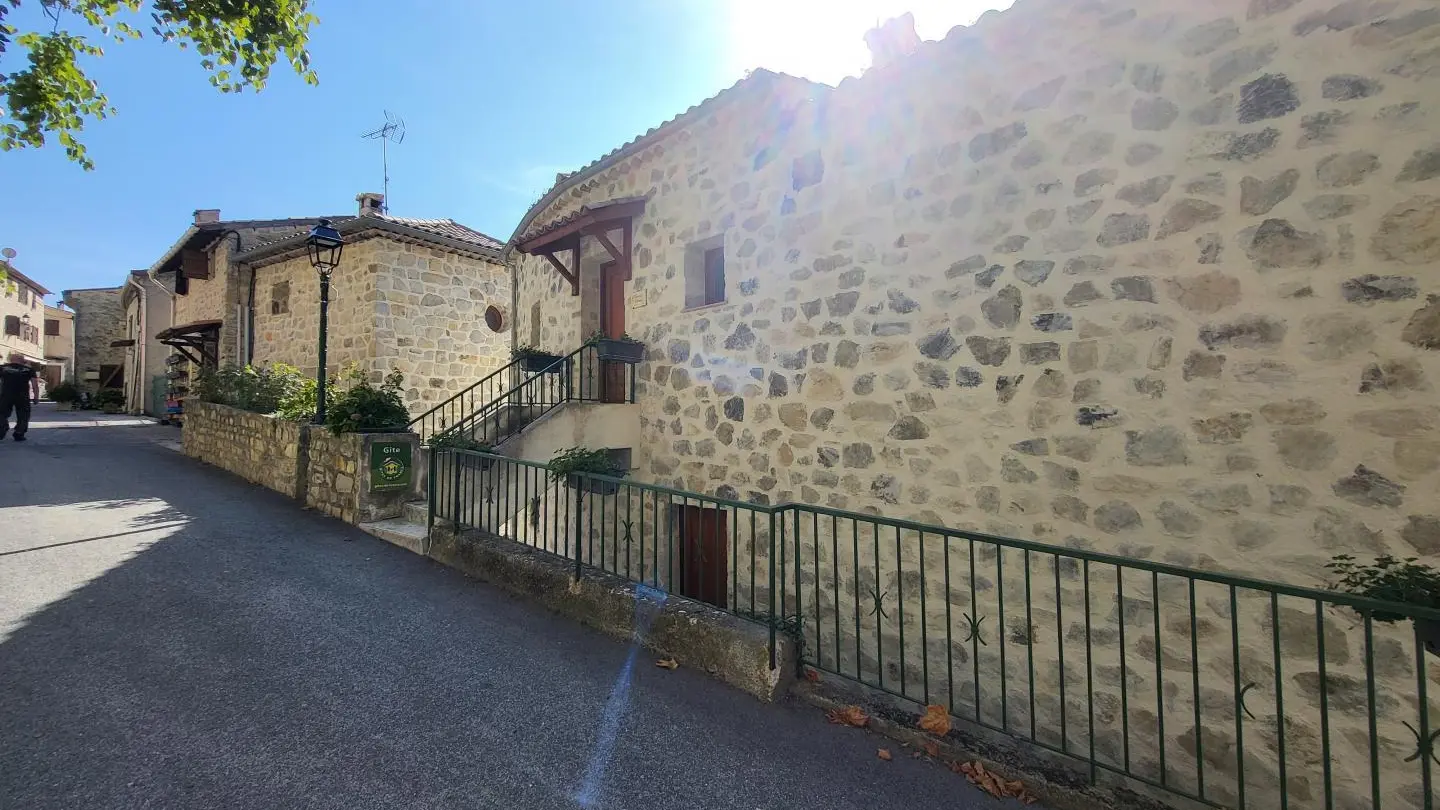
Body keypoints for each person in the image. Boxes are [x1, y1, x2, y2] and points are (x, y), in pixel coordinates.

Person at [0, 353, 40, 442]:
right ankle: (19, 433)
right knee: (23, 415)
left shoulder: (3, 368)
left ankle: (2, 428)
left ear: (10, 359)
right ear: (22, 360)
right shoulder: (29, 369)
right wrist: (36, 397)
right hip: (23, 396)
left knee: (1, 413)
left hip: (6, 395)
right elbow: (35, 385)